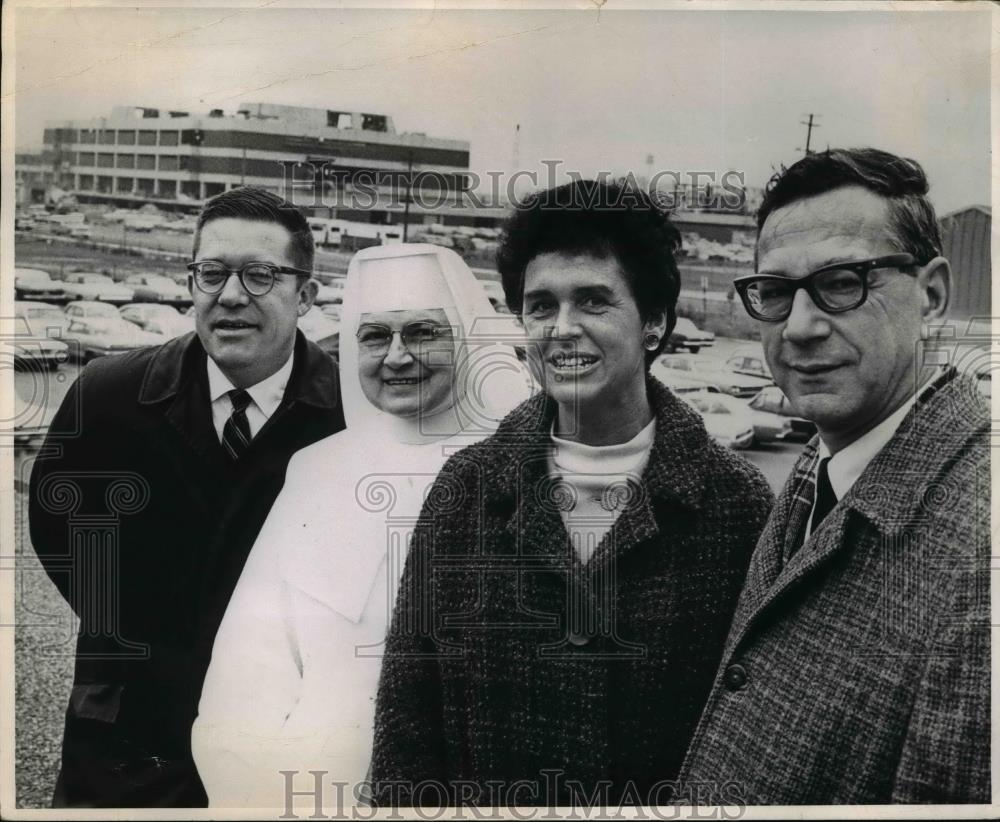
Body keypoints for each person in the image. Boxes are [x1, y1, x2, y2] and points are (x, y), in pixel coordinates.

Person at [370, 179, 774, 807]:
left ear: (655, 321)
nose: (562, 329)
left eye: (593, 301)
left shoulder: (739, 506)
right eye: (540, 305)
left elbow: (751, 738)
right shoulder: (465, 491)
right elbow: (406, 718)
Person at [677, 148, 990, 804]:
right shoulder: (819, 466)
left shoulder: (981, 553)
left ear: (932, 296)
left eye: (843, 282)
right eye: (776, 291)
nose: (800, 327)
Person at [28, 187, 346, 807]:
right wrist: (135, 631)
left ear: (305, 295)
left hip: (279, 735)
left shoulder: (346, 415)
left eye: (260, 275)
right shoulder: (108, 394)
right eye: (212, 273)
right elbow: (55, 528)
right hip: (123, 733)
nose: (231, 296)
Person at [191, 243, 532, 808]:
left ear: (467, 342)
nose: (396, 356)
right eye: (374, 336)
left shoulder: (520, 472)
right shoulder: (319, 469)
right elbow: (247, 670)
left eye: (422, 333)